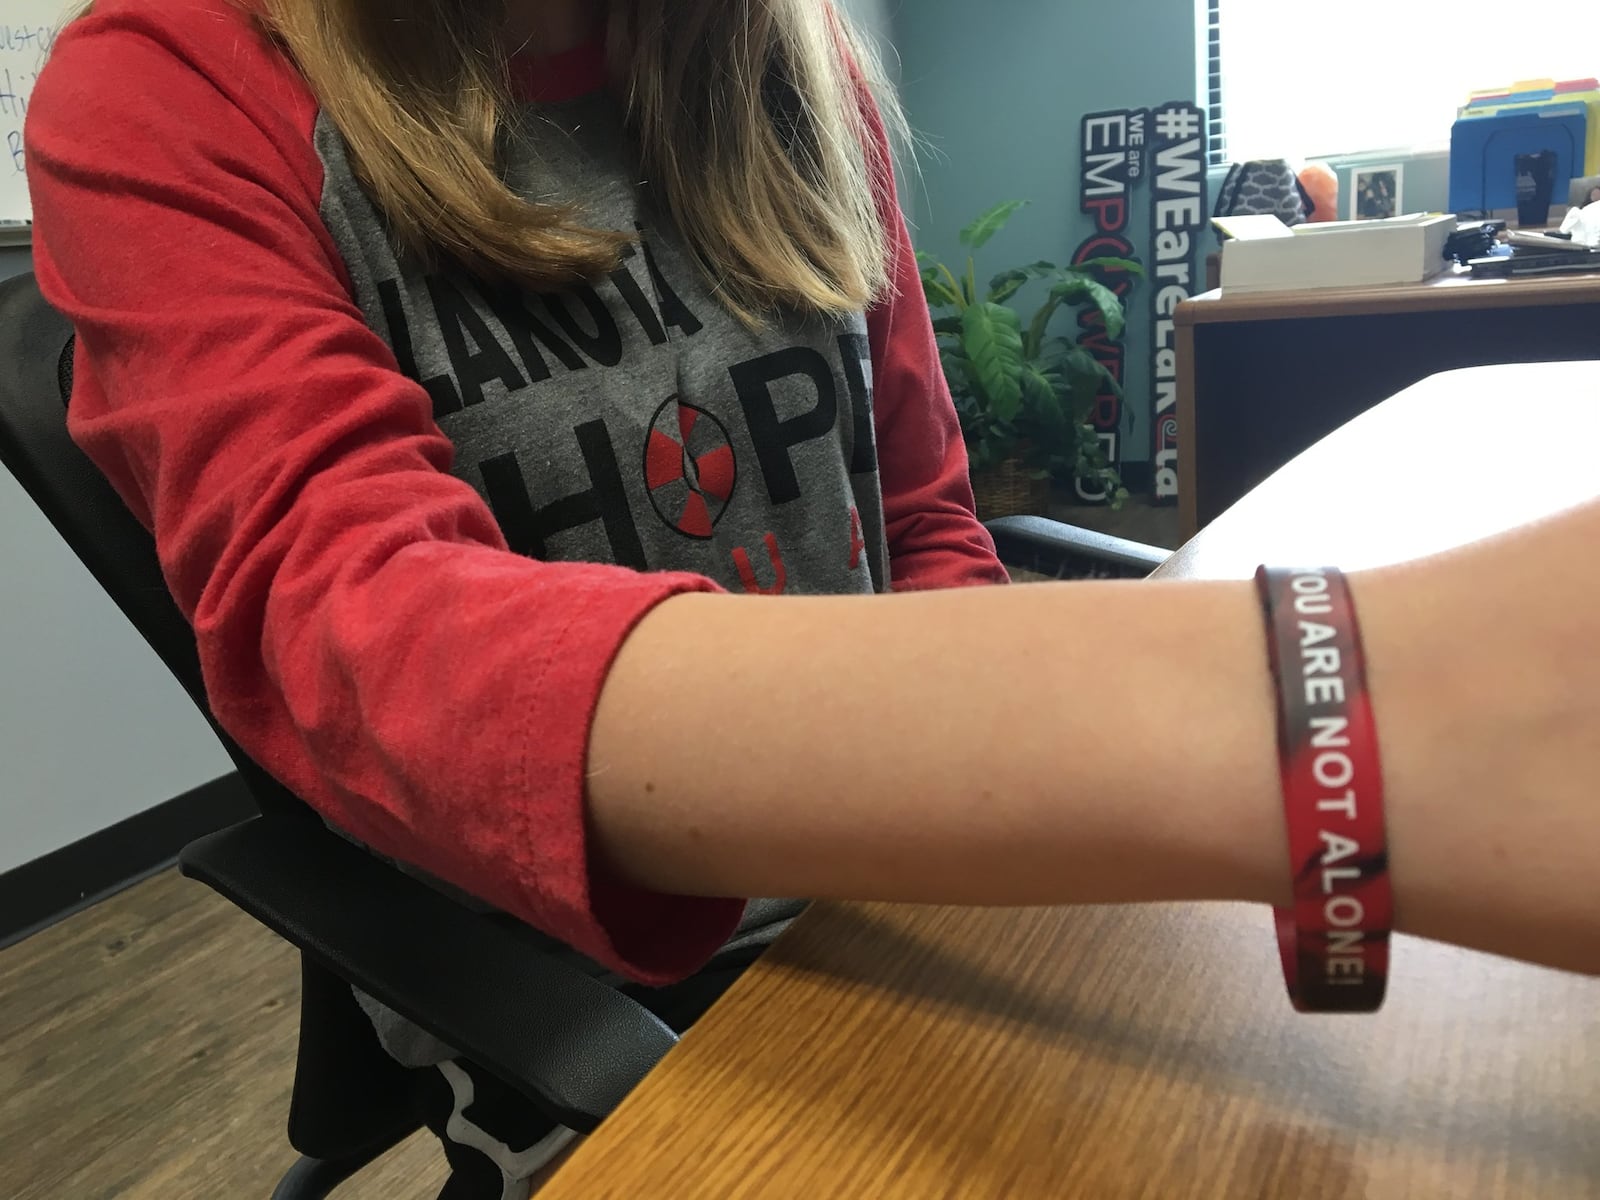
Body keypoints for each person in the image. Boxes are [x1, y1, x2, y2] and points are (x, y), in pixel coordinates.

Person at [25, 0, 1600, 1195]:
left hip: (910, 872)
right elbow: (352, 624)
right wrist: (1315, 713)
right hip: (596, 982)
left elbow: (919, 513)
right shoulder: (166, 87)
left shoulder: (795, 72)